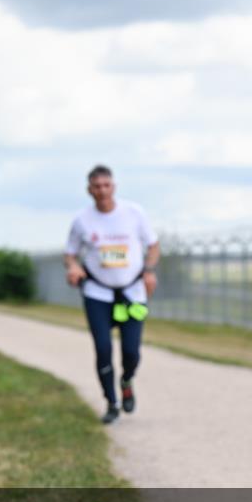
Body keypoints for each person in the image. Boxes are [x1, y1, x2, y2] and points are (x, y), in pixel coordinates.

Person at [65, 165, 160, 425]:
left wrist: (149, 270)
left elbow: (152, 246)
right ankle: (111, 402)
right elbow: (70, 253)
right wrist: (73, 267)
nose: (102, 191)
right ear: (89, 190)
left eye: (106, 185)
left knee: (131, 351)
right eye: (97, 186)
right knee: (103, 348)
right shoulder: (82, 220)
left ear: (114, 187)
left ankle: (126, 380)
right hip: (98, 293)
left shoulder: (134, 213)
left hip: (132, 292)